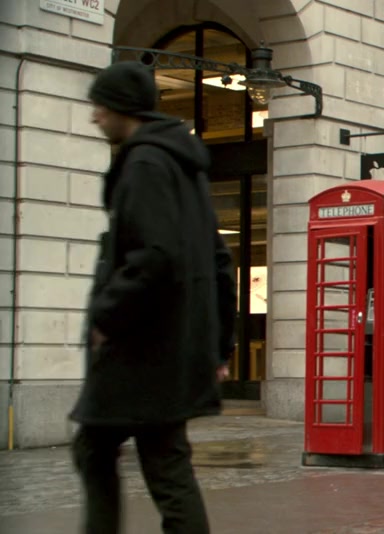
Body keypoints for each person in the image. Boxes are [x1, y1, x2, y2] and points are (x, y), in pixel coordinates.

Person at [71, 61, 236, 534]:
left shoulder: (145, 163)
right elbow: (219, 261)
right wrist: (220, 346)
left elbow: (155, 256)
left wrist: (106, 315)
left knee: (97, 450)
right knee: (164, 461)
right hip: (175, 346)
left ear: (121, 106)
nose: (94, 116)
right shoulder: (184, 166)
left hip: (143, 347)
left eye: (100, 106)